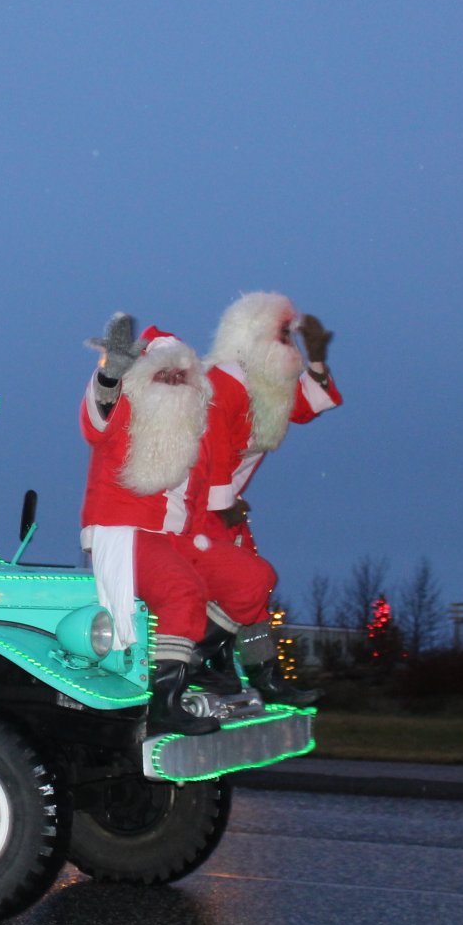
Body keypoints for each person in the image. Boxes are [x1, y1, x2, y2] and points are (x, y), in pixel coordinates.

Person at [188, 292, 341, 701]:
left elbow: (305, 405)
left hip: (222, 508)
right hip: (195, 509)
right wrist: (224, 504)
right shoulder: (221, 382)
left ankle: (260, 675)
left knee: (250, 592)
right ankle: (196, 657)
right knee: (250, 581)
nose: (290, 346)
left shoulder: (262, 384)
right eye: (284, 336)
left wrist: (318, 359)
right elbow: (211, 446)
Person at [79, 316, 219, 736]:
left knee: (238, 580)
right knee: (183, 591)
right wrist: (109, 375)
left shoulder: (193, 430)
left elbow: (198, 497)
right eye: (164, 374)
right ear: (144, 378)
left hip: (173, 538)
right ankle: (165, 702)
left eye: (182, 375)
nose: (174, 383)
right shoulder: (129, 410)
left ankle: (214, 670)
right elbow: (97, 418)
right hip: (124, 530)